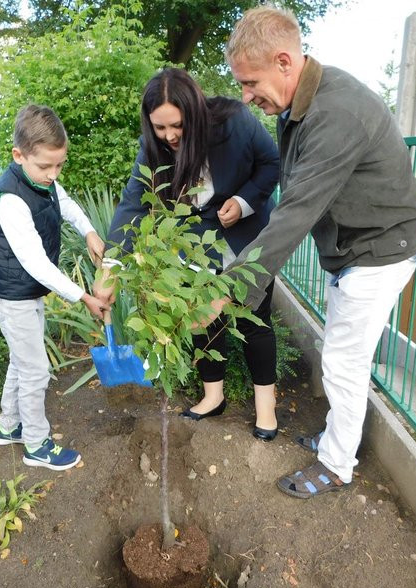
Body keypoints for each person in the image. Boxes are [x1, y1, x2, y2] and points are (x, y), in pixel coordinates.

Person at [216, 6, 416, 496]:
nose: (247, 98)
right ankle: (339, 440)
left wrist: (229, 288)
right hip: (355, 248)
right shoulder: (302, 103)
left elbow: (295, 210)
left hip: (378, 250)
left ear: (285, 62)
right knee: (340, 354)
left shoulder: (336, 112)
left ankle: (336, 464)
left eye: (250, 83)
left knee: (342, 363)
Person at [94, 68, 281, 440]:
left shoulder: (235, 123)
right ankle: (214, 396)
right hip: (194, 242)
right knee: (201, 318)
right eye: (159, 128)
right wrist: (111, 268)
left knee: (252, 321)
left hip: (243, 235)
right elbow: (133, 201)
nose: (169, 136)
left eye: (176, 125)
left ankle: (266, 408)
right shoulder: (153, 147)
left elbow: (271, 164)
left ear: (194, 111)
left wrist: (244, 202)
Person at [0, 104, 108, 471]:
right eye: (45, 167)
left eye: (59, 166)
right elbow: (35, 263)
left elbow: (65, 203)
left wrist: (88, 230)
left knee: (22, 359)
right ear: (18, 155)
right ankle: (36, 445)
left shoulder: (44, 178)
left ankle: (10, 426)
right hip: (12, 291)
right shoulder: (9, 199)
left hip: (24, 289)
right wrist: (83, 296)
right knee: (36, 369)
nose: (53, 174)